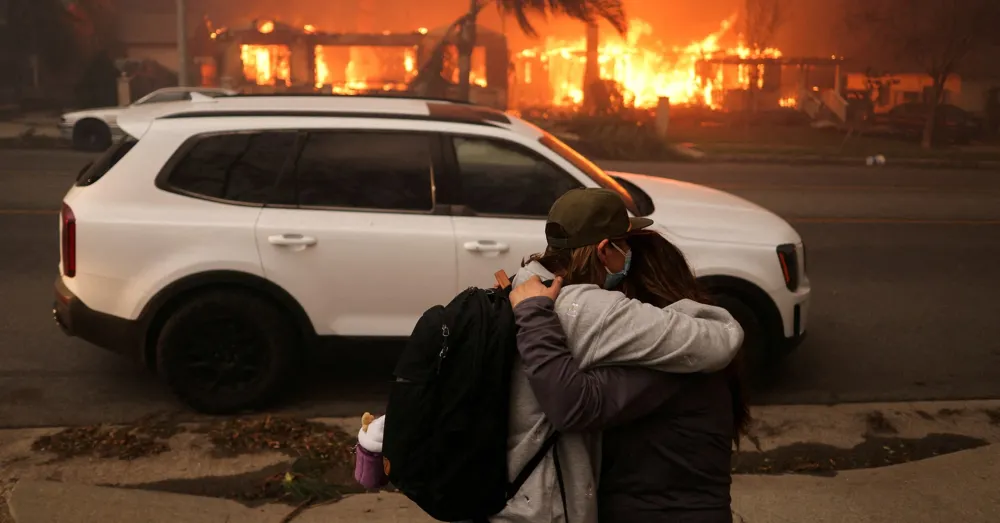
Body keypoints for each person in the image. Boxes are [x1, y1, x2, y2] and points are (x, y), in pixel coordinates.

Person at [496, 188, 744, 523]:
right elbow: (721, 340)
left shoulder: (522, 287)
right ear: (604, 250)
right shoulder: (600, 313)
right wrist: (703, 314)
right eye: (624, 243)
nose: (626, 252)